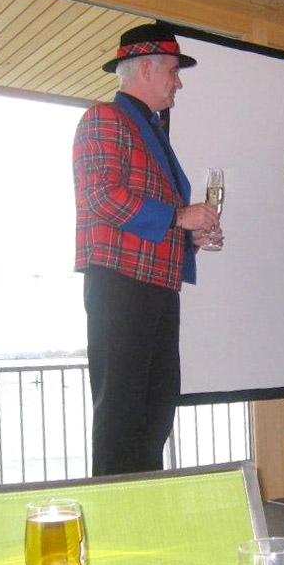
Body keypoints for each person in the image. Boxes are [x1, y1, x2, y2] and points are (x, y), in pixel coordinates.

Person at [73, 23, 221, 476]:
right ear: (147, 69)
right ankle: (116, 515)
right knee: (121, 414)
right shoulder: (103, 117)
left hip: (156, 286)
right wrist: (179, 217)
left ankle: (142, 508)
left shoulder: (148, 128)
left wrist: (187, 236)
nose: (179, 82)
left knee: (155, 414)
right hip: (120, 284)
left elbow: (145, 212)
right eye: (174, 71)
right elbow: (101, 197)